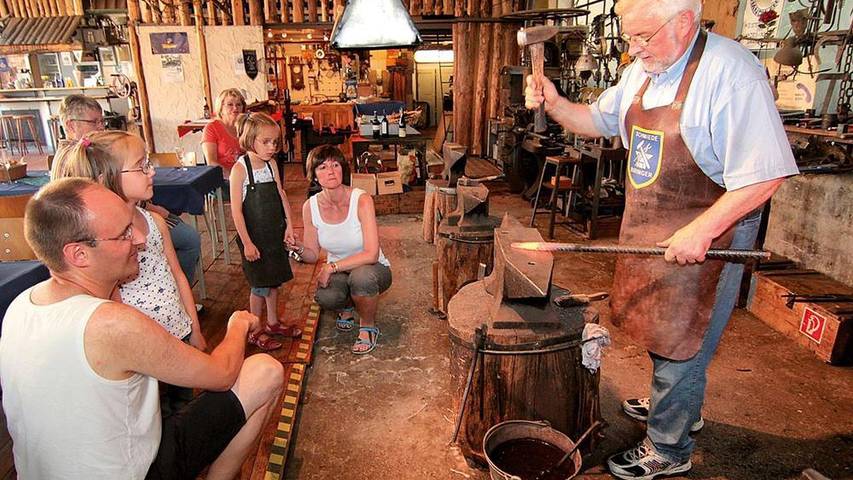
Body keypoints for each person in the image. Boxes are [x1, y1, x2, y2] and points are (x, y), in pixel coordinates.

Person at [524, 1, 798, 478]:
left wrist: (703, 230)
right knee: (659, 327)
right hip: (651, 224)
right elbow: (597, 121)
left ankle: (670, 448)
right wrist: (554, 102)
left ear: (686, 21)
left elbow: (764, 176)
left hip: (711, 226)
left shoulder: (731, 74)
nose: (634, 48)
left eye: (644, 37)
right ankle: (678, 404)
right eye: (630, 37)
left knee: (683, 341)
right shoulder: (643, 71)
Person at [0, 178, 283, 479]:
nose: (140, 239)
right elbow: (221, 374)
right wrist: (238, 325)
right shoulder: (111, 324)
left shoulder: (21, 304)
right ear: (78, 254)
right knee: (265, 371)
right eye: (123, 234)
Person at [53, 131, 207, 413]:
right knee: (151, 415)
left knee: (184, 409)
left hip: (178, 334)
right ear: (106, 179)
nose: (152, 171)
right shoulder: (105, 243)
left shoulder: (156, 223)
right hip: (140, 352)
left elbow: (178, 275)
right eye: (142, 166)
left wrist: (194, 328)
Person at [56, 94, 203, 291]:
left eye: (102, 121)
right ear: (71, 125)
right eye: (94, 122)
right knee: (188, 238)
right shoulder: (74, 162)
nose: (101, 127)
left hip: (141, 214)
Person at [292, 145, 392, 355]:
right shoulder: (310, 207)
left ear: (342, 169)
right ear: (314, 175)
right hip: (340, 271)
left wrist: (332, 267)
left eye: (335, 165)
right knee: (326, 296)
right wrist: (298, 248)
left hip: (372, 268)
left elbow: (371, 253)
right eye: (323, 167)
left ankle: (367, 324)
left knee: (361, 279)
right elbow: (311, 254)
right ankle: (347, 304)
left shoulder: (361, 199)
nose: (330, 171)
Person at [230, 112, 302, 351]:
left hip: (274, 234)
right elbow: (237, 212)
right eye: (266, 142)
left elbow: (281, 196)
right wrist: (247, 243)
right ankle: (255, 327)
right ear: (250, 140)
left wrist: (290, 226)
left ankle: (272, 322)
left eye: (275, 142)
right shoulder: (240, 170)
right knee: (259, 285)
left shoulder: (271, 164)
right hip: (255, 239)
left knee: (274, 282)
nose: (272, 147)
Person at [203, 88, 246, 181]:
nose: (235, 108)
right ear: (221, 107)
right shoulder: (211, 128)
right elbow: (211, 162)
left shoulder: (246, 127)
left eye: (239, 104)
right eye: (230, 104)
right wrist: (234, 178)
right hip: (224, 179)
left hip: (246, 175)